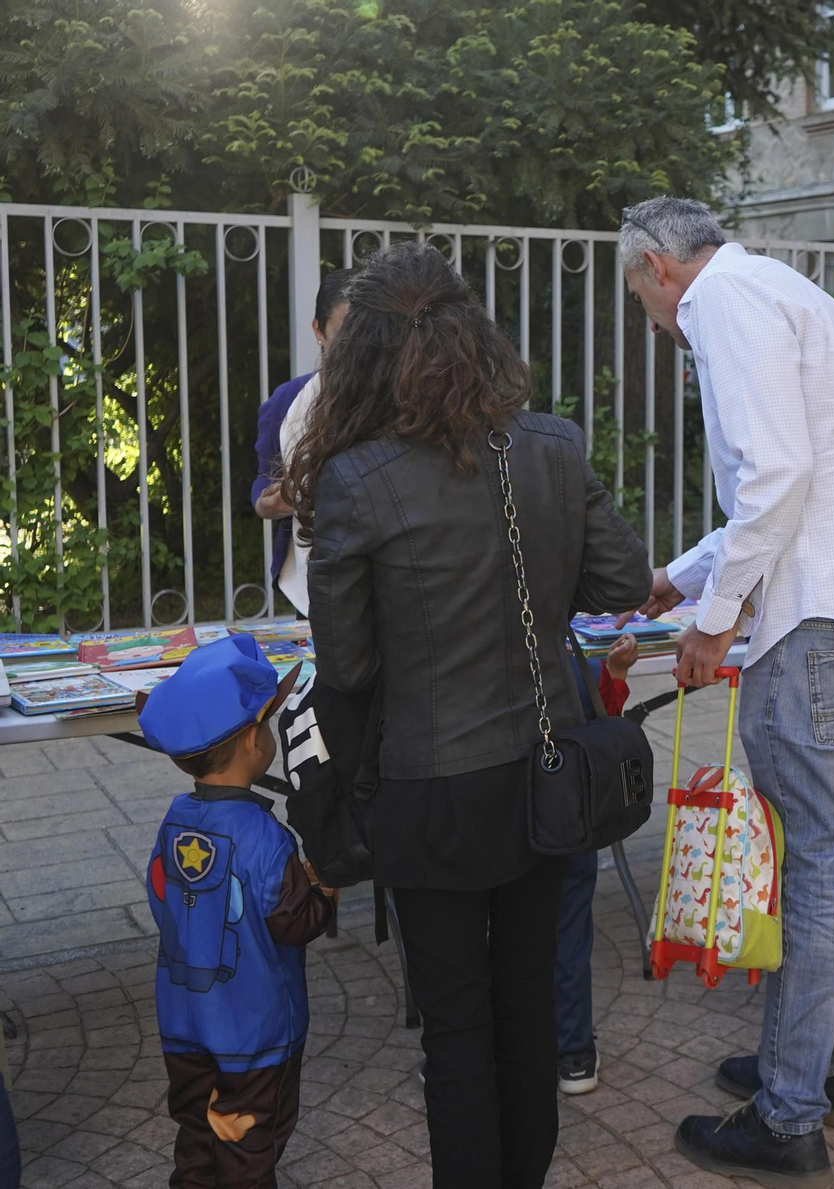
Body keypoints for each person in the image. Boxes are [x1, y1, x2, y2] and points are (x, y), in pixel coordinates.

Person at [288, 242, 651, 1189]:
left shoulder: (357, 478)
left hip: (428, 789)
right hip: (541, 774)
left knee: (455, 1026)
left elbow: (347, 666)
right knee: (527, 1005)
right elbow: (621, 578)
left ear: (361, 353)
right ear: (475, 335)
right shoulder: (551, 445)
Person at [619, 196, 834, 1188]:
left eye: (641, 298)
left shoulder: (720, 302)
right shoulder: (789, 293)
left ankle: (789, 1114)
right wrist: (683, 576)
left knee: (815, 869)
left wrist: (714, 618)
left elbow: (776, 476)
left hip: (818, 631)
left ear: (659, 267)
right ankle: (823, 1065)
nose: (654, 322)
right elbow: (803, 481)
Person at [138, 635, 335, 1187]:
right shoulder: (266, 836)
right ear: (254, 741)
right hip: (255, 1034)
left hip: (185, 1026)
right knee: (251, 1145)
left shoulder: (174, 821)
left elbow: (161, 895)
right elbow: (294, 922)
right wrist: (325, 891)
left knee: (198, 1136)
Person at [555, 633, 639, 1097]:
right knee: (568, 935)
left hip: (491, 820)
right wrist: (616, 674)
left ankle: (469, 1054)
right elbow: (604, 723)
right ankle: (573, 1053)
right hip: (567, 820)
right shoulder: (572, 663)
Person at [252, 267, 356, 614]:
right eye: (344, 333)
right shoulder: (289, 401)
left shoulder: (404, 400)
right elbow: (264, 479)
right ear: (318, 331)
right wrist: (265, 504)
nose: (357, 347)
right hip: (312, 579)